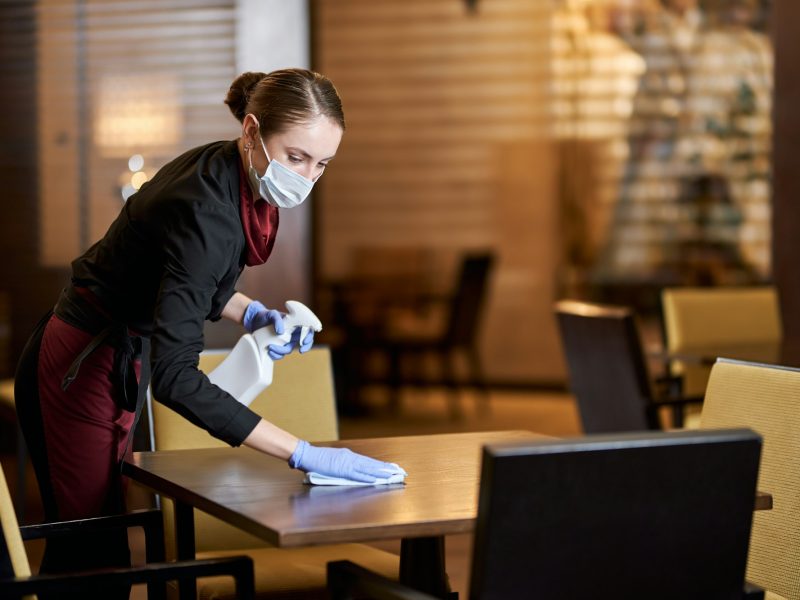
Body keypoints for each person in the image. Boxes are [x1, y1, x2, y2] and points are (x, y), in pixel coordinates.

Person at [14, 68, 405, 593]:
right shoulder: (208, 207)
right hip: (77, 368)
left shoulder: (227, 165)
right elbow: (175, 377)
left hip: (109, 357)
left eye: (322, 164)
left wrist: (251, 314)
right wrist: (302, 452)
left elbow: (188, 277)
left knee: (94, 551)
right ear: (251, 132)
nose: (307, 177)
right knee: (93, 557)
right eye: (296, 157)